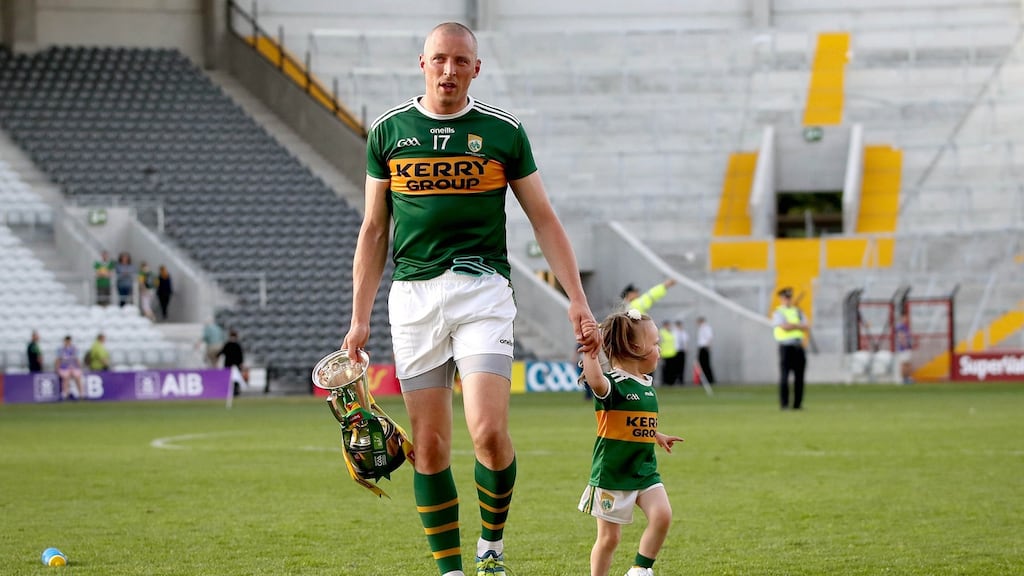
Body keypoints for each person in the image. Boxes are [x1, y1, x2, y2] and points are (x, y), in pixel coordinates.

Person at [340, 21, 599, 576]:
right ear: (422, 63)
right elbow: (373, 231)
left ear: (476, 69)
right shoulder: (388, 131)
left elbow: (544, 219)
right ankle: (450, 570)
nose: (449, 71)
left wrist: (575, 298)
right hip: (412, 299)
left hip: (483, 290)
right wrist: (359, 319)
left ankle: (492, 548)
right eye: (439, 59)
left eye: (460, 61)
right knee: (429, 449)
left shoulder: (503, 132)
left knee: (487, 432)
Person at [577, 309, 684, 576]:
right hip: (613, 475)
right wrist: (591, 354)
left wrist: (656, 435)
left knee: (662, 515)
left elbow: (634, 422)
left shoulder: (646, 385)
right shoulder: (615, 384)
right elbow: (596, 382)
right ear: (637, 347)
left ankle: (640, 569)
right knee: (609, 539)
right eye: (656, 343)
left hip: (644, 470)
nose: (659, 350)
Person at [773, 287, 808, 410]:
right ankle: (784, 404)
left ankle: (797, 404)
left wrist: (792, 325)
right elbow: (784, 327)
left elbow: (806, 326)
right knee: (784, 376)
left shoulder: (798, 311)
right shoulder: (779, 312)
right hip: (786, 347)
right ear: (781, 299)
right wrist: (796, 325)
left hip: (798, 347)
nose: (788, 300)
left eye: (789, 298)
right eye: (785, 298)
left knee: (800, 377)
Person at [218, 330, 247, 396]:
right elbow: (240, 355)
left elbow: (222, 352)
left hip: (230, 364)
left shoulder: (230, 344)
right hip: (233, 364)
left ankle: (234, 391)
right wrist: (241, 363)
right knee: (232, 379)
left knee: (233, 379)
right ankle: (234, 391)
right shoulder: (234, 345)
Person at [55, 335, 84, 400]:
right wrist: (57, 368)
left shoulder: (74, 349)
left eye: (69, 341)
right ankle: (65, 394)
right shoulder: (61, 349)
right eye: (66, 341)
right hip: (64, 368)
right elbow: (58, 359)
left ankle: (81, 394)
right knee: (66, 378)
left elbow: (77, 359)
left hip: (73, 367)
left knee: (78, 377)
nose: (68, 342)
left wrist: (80, 367)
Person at [657, 319, 678, 386]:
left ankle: (671, 382)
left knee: (672, 369)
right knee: (665, 369)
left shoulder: (671, 332)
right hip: (665, 354)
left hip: (672, 353)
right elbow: (659, 343)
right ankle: (665, 382)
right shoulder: (661, 332)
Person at [696, 316, 715, 385]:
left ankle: (709, 379)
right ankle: (705, 380)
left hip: (704, 348)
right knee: (702, 365)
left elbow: (709, 337)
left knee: (706, 364)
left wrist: (708, 347)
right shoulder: (701, 328)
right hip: (701, 348)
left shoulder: (706, 328)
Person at [895, 313, 913, 384]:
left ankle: (907, 377)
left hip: (907, 347)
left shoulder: (906, 326)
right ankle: (903, 379)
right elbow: (901, 336)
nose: (906, 319)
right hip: (903, 348)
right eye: (904, 318)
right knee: (904, 364)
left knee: (908, 363)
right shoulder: (900, 327)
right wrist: (905, 344)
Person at [671, 320, 688, 385]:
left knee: (682, 366)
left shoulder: (683, 333)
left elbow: (685, 341)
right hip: (676, 351)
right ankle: (675, 379)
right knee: (675, 366)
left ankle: (681, 380)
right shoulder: (674, 332)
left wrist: (686, 349)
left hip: (682, 351)